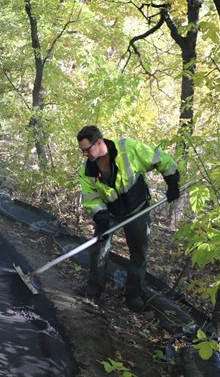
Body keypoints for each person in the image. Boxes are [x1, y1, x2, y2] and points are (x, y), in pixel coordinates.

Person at [76, 125, 180, 312]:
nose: (84, 154)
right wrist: (100, 215)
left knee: (138, 253)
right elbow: (90, 197)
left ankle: (133, 294)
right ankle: (94, 288)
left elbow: (159, 158)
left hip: (137, 209)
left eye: (86, 150)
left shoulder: (127, 149)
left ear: (99, 142)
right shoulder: (87, 170)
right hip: (112, 212)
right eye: (81, 151)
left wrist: (172, 180)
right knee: (99, 246)